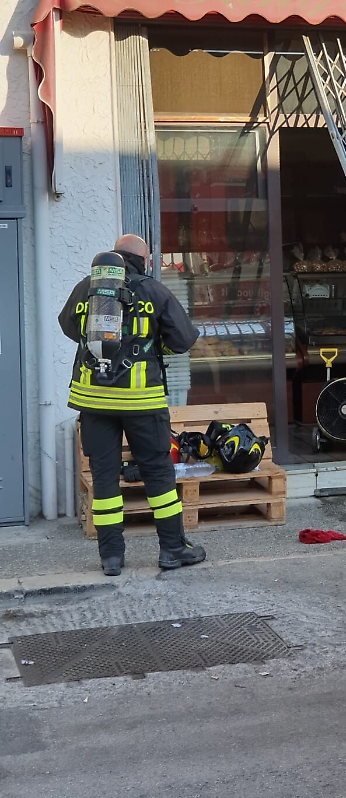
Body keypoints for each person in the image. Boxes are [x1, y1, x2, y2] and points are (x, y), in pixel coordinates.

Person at [59, 234, 206, 576]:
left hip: (93, 401)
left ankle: (111, 557)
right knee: (157, 472)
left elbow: (69, 328)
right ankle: (172, 549)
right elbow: (183, 340)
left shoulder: (87, 289)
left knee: (105, 477)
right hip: (141, 400)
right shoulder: (154, 291)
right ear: (144, 259)